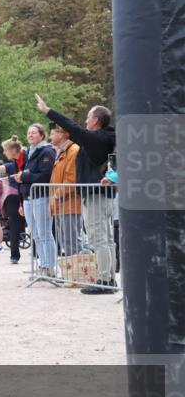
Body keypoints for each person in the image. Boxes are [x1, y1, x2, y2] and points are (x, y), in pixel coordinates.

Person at [36, 95, 117, 294]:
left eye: (89, 117)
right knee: (105, 238)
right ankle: (108, 278)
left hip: (95, 194)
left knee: (99, 238)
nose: (86, 120)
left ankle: (105, 280)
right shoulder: (106, 137)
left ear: (96, 121)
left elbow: (72, 127)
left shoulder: (97, 138)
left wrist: (48, 110)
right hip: (99, 193)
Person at [4, 124, 57, 275]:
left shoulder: (46, 151)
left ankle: (50, 266)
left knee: (45, 232)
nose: (30, 135)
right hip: (28, 197)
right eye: (28, 133)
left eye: (34, 133)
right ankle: (43, 264)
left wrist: (24, 176)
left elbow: (45, 175)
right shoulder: (30, 152)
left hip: (41, 195)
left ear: (42, 135)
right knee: (36, 234)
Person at [0, 136, 26, 264]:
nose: (4, 153)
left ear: (12, 149)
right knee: (13, 225)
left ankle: (35, 254)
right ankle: (15, 255)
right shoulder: (12, 164)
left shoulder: (25, 159)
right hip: (15, 196)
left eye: (5, 150)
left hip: (25, 193)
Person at [48, 123, 82, 258]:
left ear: (61, 134)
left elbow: (71, 179)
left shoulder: (73, 150)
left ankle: (76, 275)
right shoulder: (62, 151)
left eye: (52, 133)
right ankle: (71, 274)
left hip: (70, 204)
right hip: (62, 204)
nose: (51, 136)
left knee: (72, 242)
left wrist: (56, 195)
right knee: (65, 242)